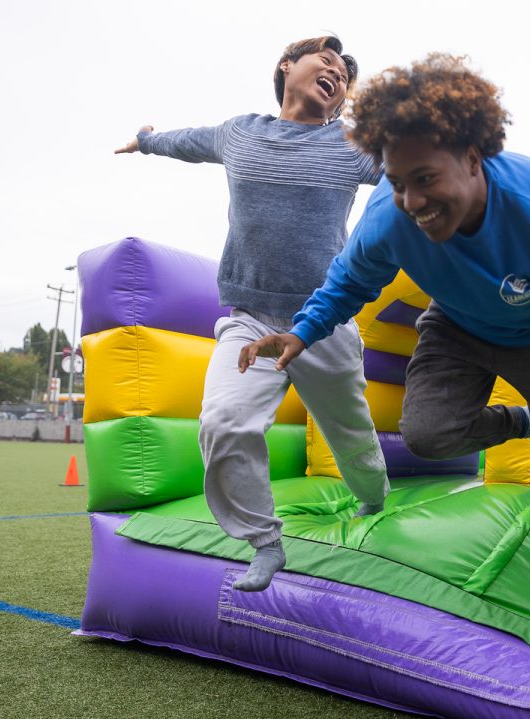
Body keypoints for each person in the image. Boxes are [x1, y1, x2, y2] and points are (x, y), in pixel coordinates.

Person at [238, 53, 530, 633]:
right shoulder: (390, 218)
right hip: (457, 325)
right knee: (426, 435)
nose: (412, 201)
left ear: (472, 158)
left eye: (425, 180)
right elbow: (348, 281)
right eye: (396, 182)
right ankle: (525, 423)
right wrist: (302, 331)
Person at [114, 36, 389, 592]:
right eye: (326, 60)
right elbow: (188, 141)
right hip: (253, 319)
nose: (336, 70)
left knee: (351, 435)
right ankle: (265, 542)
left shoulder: (350, 144)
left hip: (323, 320)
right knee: (223, 422)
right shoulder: (241, 133)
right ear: (287, 67)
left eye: (343, 75)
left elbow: (412, 171)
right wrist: (146, 141)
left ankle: (374, 494)